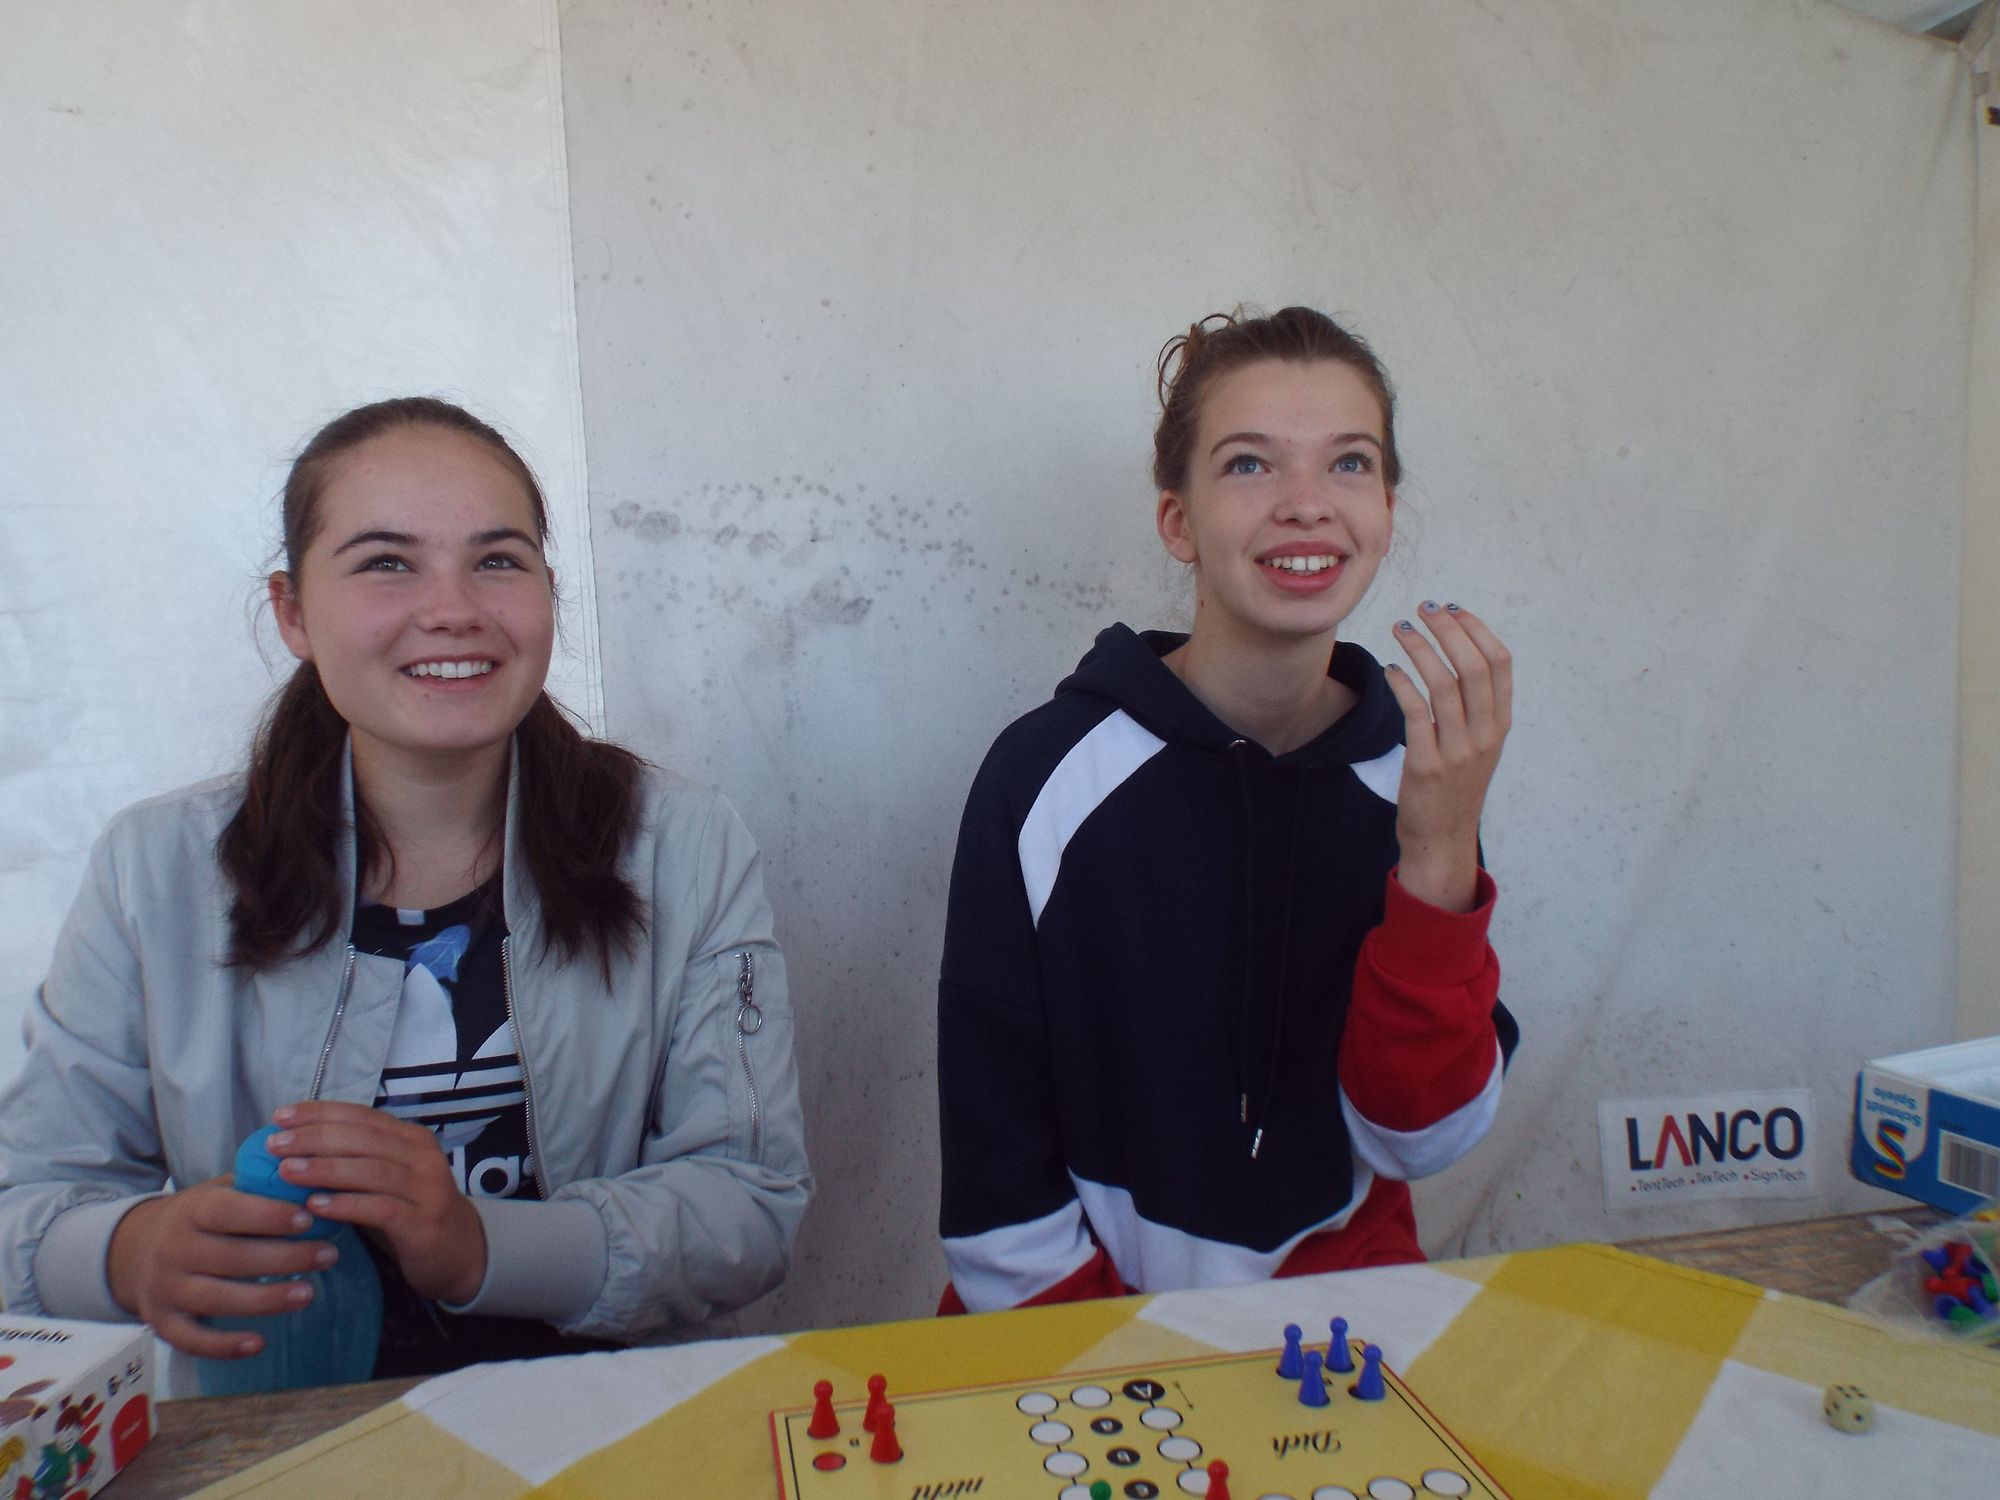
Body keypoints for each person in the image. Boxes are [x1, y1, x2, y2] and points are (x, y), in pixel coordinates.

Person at [0, 397, 811, 1382]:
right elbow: (26, 1207)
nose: (453, 609)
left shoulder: (679, 845)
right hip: (277, 1432)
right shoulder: (157, 870)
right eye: (387, 562)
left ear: (549, 594)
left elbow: (748, 1205)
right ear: (292, 611)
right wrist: (128, 1252)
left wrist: (478, 1247)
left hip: (607, 1412)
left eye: (498, 560)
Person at [936, 307, 1517, 1311]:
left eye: (1348, 463)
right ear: (1177, 520)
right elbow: (998, 1191)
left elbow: (1418, 1138)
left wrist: (1438, 855)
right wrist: (1126, 1370)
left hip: (1340, 1329)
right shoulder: (1045, 774)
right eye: (1249, 464)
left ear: (1387, 506)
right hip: (1073, 1330)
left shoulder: (1419, 773)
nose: (1307, 505)